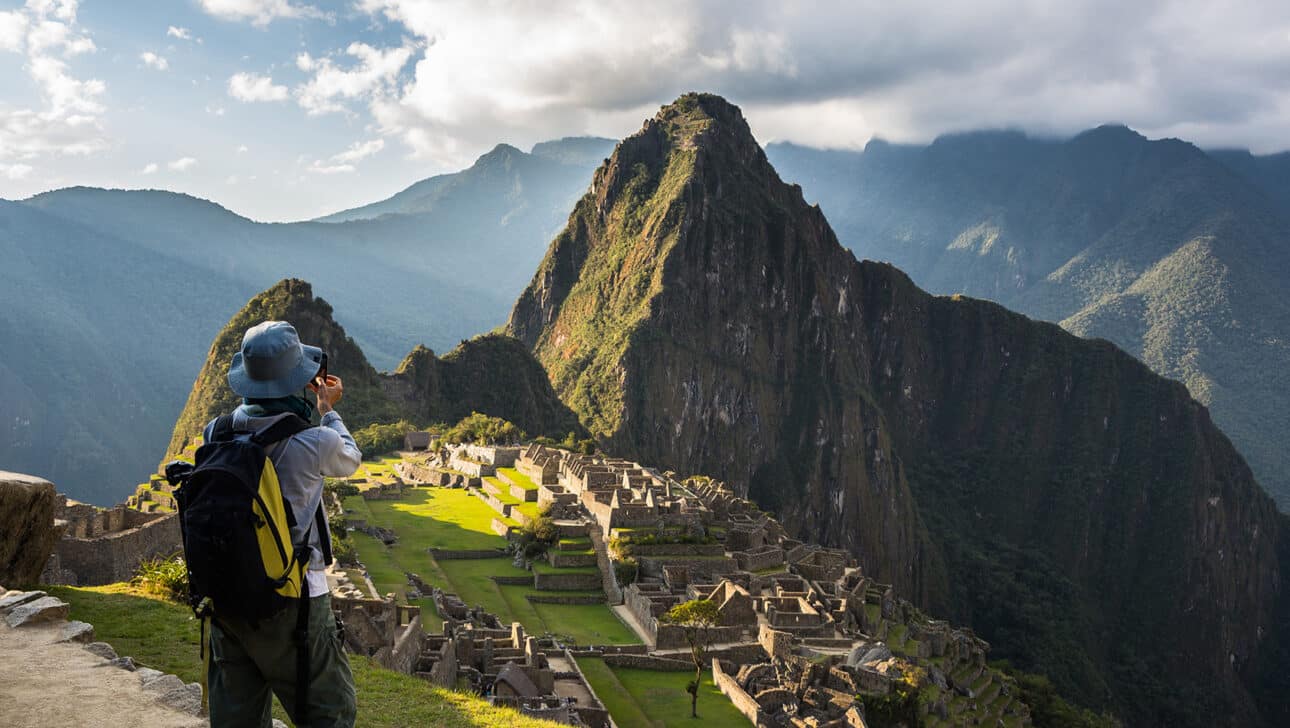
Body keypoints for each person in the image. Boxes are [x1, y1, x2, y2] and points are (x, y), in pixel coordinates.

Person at [204, 320, 361, 728]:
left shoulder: (216, 432)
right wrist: (328, 409)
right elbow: (350, 457)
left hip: (226, 595)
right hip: (293, 598)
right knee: (331, 711)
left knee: (236, 717)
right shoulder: (313, 443)